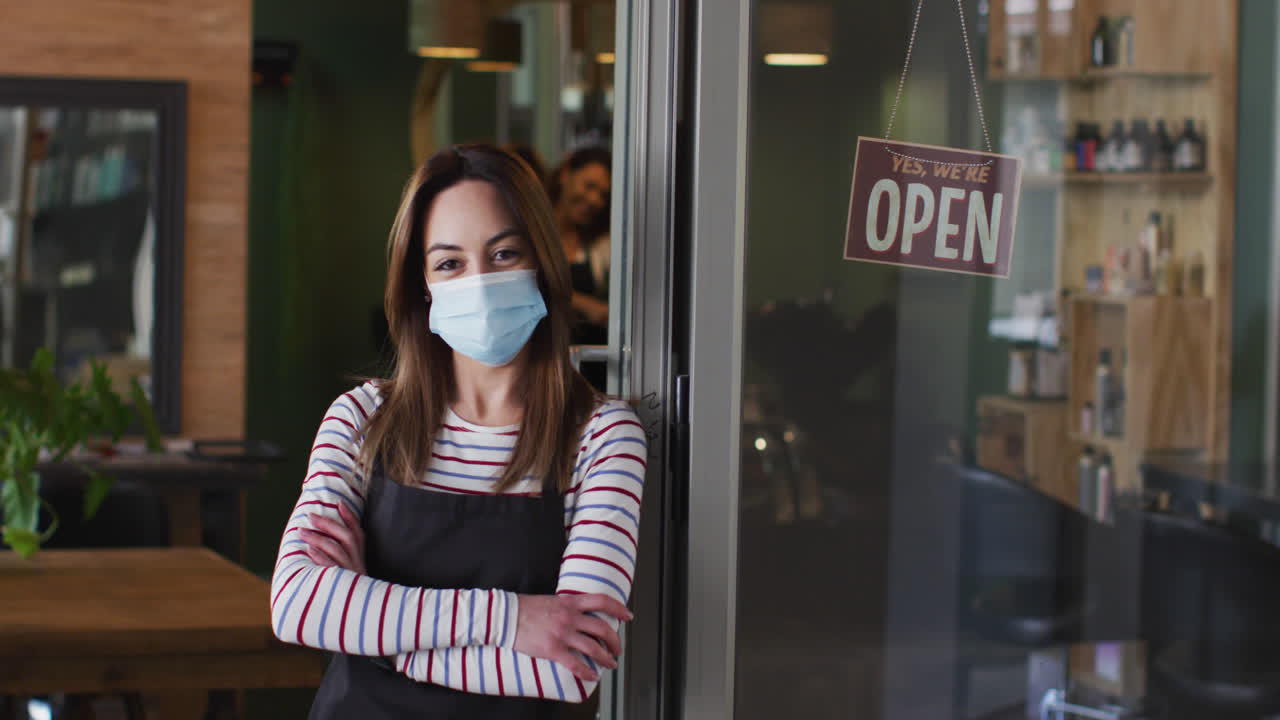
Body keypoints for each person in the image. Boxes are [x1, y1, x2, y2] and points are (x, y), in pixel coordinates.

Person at [270, 144, 647, 718]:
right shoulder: (360, 418)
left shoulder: (602, 436)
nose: (479, 281)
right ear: (422, 284)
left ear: (541, 263)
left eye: (503, 254)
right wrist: (512, 619)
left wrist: (372, 629)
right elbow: (297, 606)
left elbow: (568, 670)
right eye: (450, 263)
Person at [547, 146, 612, 389]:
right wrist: (584, 304)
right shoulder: (530, 234)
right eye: (589, 186)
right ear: (565, 174)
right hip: (546, 370)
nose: (595, 200)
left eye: (603, 195)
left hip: (592, 378)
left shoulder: (599, 246)